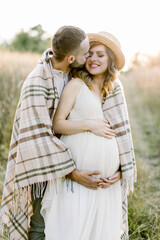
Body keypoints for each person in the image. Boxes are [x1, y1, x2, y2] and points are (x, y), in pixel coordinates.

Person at [0, 26, 119, 240]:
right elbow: (39, 136)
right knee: (40, 223)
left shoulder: (71, 73)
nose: (89, 57)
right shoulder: (37, 82)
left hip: (67, 166)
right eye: (86, 53)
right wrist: (72, 172)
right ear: (72, 57)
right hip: (41, 162)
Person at [41, 31, 137, 240]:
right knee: (72, 231)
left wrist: (120, 172)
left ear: (110, 58)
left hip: (106, 185)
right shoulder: (76, 84)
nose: (94, 59)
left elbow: (122, 134)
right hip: (76, 177)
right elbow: (57, 124)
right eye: (90, 54)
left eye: (100, 54)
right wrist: (89, 125)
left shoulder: (114, 90)